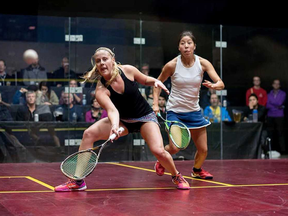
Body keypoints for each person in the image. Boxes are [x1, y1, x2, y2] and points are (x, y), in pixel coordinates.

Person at [54, 47, 190, 192]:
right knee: (89, 134)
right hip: (123, 121)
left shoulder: (128, 70)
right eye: (98, 61)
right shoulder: (101, 90)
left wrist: (155, 82)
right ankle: (78, 180)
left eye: (105, 59)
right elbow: (112, 110)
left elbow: (144, 79)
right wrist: (114, 125)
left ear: (113, 60)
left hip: (145, 118)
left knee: (159, 151)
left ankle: (176, 175)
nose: (101, 63)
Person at [153, 31, 225, 180]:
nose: (186, 46)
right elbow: (156, 84)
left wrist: (214, 85)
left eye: (189, 43)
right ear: (179, 47)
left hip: (194, 111)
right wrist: (155, 104)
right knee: (174, 148)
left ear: (194, 46)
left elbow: (221, 83)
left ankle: (197, 170)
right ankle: (162, 159)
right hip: (175, 111)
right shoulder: (172, 65)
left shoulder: (203, 63)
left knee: (203, 150)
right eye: (182, 43)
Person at [266, 79, 286, 154]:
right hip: (270, 115)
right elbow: (267, 105)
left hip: (279, 116)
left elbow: (279, 102)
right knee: (270, 133)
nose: (276, 85)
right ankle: (270, 150)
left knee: (280, 133)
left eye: (278, 84)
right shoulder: (268, 94)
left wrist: (272, 103)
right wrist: (277, 107)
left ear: (280, 85)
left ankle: (282, 151)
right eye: (275, 83)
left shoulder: (283, 93)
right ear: (272, 85)